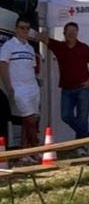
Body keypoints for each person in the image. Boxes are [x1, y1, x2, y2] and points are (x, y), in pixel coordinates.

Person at [39, 22, 89, 147]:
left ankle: (82, 146)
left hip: (83, 88)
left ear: (77, 33)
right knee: (66, 116)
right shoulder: (59, 46)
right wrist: (47, 20)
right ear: (64, 33)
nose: (72, 33)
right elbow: (42, 37)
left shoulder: (84, 47)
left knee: (82, 117)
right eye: (69, 31)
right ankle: (87, 137)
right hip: (67, 89)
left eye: (74, 31)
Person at [0, 16, 41, 154]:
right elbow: (3, 66)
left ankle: (24, 153)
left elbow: (33, 68)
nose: (25, 31)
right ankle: (37, 149)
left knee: (29, 120)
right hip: (19, 88)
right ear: (16, 29)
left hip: (32, 88)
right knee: (29, 119)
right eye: (22, 28)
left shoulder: (29, 48)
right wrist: (9, 86)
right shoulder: (9, 46)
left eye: (27, 28)